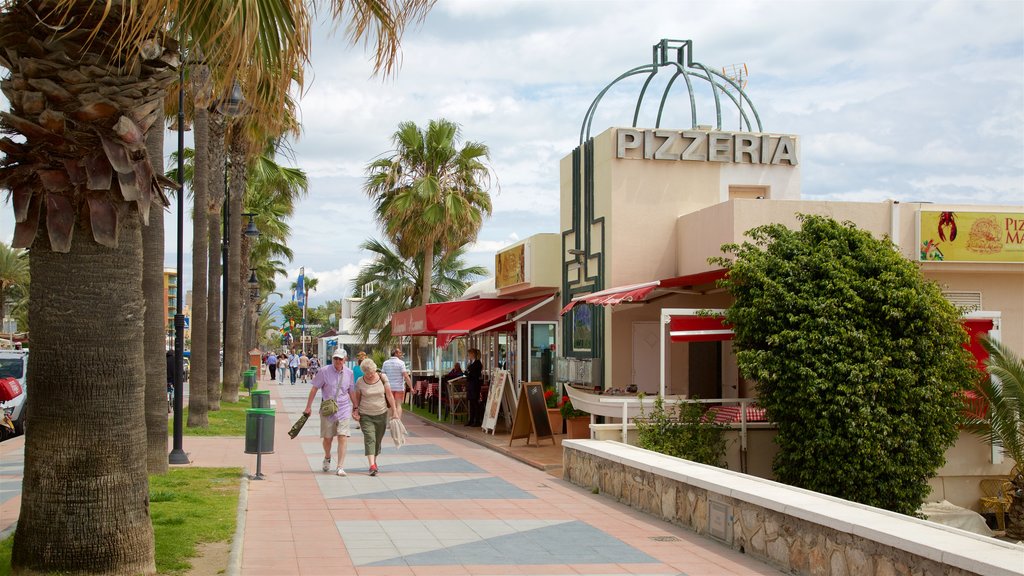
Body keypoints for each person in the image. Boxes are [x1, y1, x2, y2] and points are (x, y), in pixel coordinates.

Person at [303, 348, 357, 476]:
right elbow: (314, 389)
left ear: (345, 360)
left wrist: (355, 407)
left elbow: (351, 391)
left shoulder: (349, 373)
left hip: (343, 409)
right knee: (328, 439)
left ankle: (340, 466)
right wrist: (308, 407)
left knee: (343, 436)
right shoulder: (324, 371)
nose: (337, 361)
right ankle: (327, 457)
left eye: (340, 359)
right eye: (335, 358)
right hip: (328, 410)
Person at [352, 358, 397, 476]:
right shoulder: (360, 381)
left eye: (372, 372)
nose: (370, 375)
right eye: (367, 373)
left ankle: (374, 462)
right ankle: (372, 465)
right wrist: (355, 411)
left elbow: (389, 395)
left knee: (377, 440)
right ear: (363, 372)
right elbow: (357, 398)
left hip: (381, 413)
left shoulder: (383, 378)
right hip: (365, 414)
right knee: (370, 438)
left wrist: (395, 411)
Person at [381, 347, 412, 419]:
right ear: (396, 354)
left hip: (388, 387)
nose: (401, 354)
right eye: (400, 353)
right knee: (398, 405)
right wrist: (411, 387)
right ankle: (398, 422)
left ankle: (391, 423)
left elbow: (382, 375)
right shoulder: (401, 363)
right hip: (399, 387)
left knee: (390, 405)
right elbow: (406, 376)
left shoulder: (385, 363)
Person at [465, 348, 483, 427]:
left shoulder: (478, 363)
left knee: (475, 403)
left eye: (469, 354)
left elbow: (475, 375)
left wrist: (468, 374)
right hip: (471, 385)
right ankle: (471, 420)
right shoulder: (471, 363)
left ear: (473, 354)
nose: (468, 355)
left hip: (475, 385)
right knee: (471, 403)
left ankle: (477, 420)